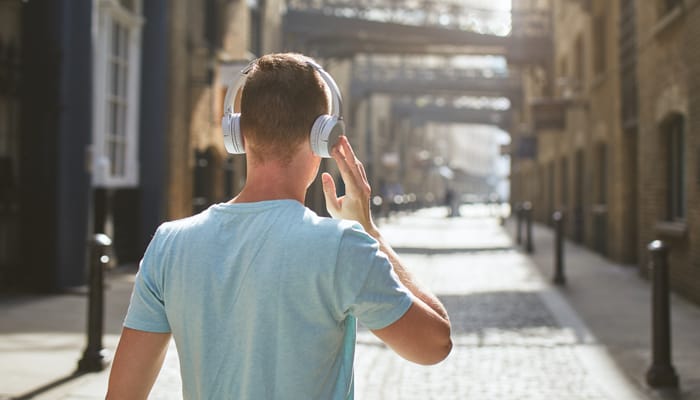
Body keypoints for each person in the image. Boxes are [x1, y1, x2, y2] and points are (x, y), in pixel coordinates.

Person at [106, 53, 451, 399]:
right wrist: (370, 231)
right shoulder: (342, 246)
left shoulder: (169, 245)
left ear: (238, 133)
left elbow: (122, 395)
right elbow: (436, 344)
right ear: (323, 137)